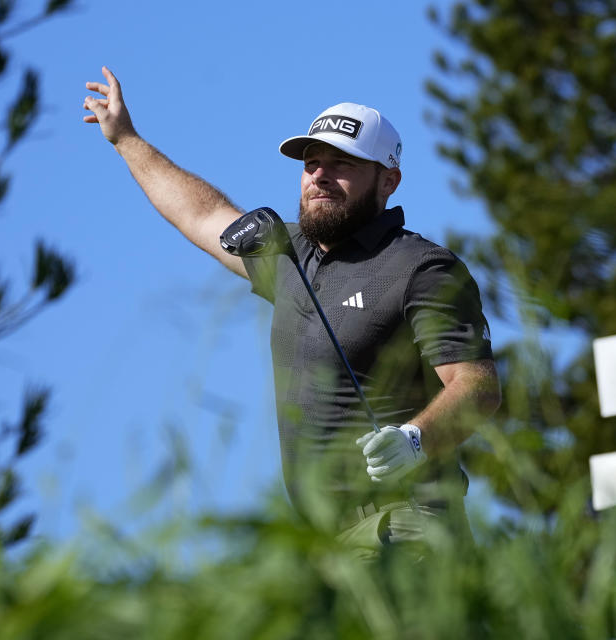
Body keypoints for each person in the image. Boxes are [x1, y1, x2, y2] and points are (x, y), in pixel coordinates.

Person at [83, 67, 500, 555]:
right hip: (322, 542)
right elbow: (200, 214)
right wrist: (126, 139)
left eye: (342, 163)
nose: (320, 175)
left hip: (405, 524)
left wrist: (415, 439)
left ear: (389, 181)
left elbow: (478, 385)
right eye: (311, 163)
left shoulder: (420, 266)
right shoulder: (289, 253)